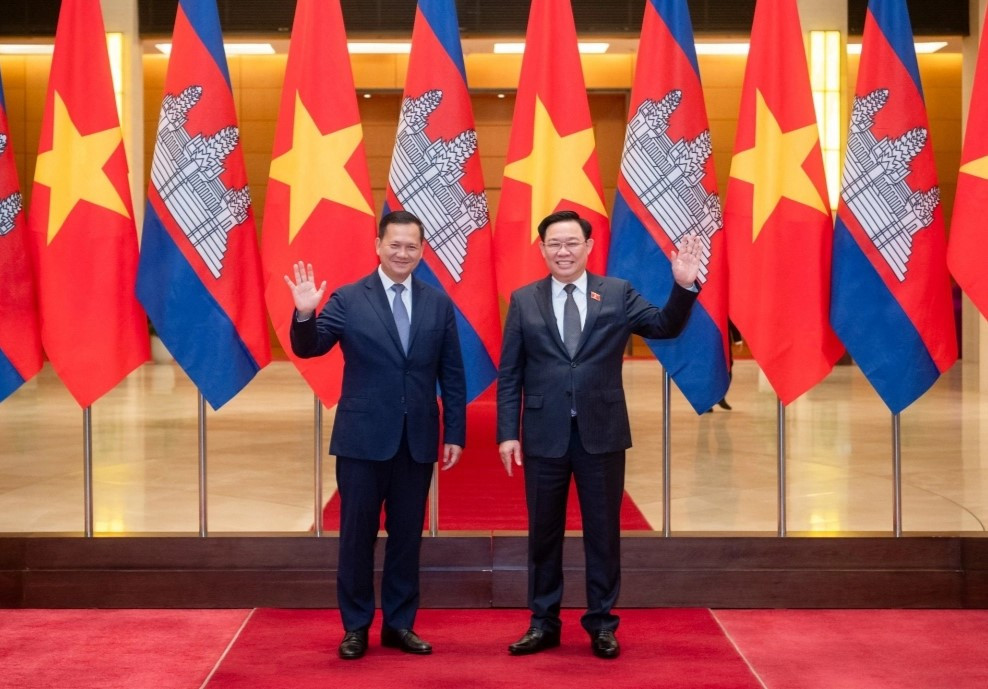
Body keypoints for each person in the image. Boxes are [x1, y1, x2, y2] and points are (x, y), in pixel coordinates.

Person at [496, 210, 701, 659]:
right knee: (543, 534)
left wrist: (683, 287)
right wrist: (507, 432)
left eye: (572, 242)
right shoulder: (524, 300)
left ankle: (602, 623)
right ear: (541, 249)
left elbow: (664, 326)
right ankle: (543, 622)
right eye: (554, 243)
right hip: (544, 434)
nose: (563, 251)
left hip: (601, 433)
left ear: (588, 246)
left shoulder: (616, 293)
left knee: (603, 533)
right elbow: (510, 373)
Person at [286, 210, 466, 660]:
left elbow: (452, 373)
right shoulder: (349, 298)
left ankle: (400, 624)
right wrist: (305, 313)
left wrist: (455, 432)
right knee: (356, 537)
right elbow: (311, 347)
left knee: (407, 537)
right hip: (362, 440)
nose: (402, 253)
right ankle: (356, 626)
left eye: (411, 246)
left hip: (417, 439)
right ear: (378, 246)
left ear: (422, 251)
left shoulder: (438, 303)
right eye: (394, 245)